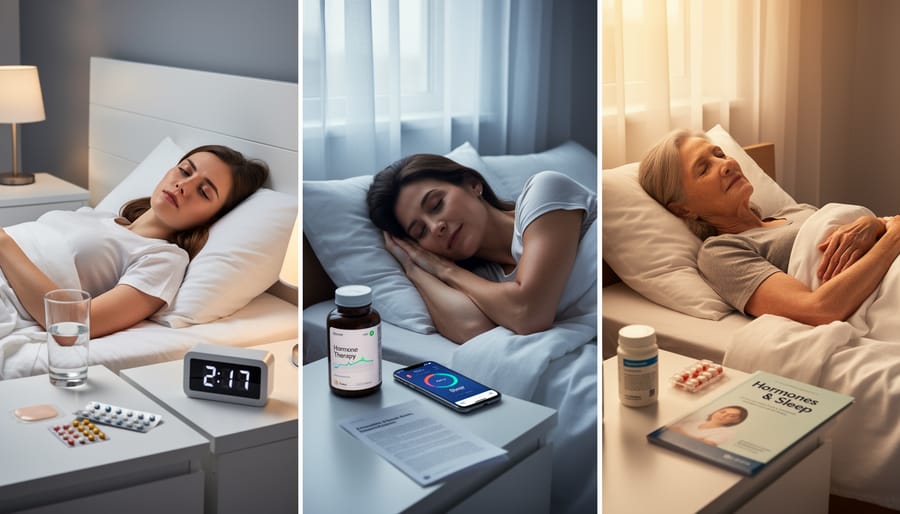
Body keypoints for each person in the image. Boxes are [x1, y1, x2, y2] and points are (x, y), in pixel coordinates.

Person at [0, 144, 268, 338]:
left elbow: (75, 323)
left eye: (204, 191)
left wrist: (3, 242)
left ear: (212, 218)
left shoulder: (164, 258)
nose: (183, 186)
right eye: (185, 171)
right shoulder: (101, 217)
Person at [639, 129, 900, 326]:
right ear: (683, 209)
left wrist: (873, 223)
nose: (726, 163)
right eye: (704, 169)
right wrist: (891, 239)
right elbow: (819, 309)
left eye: (719, 154)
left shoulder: (796, 212)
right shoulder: (722, 252)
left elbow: (888, 227)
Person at [366, 153, 596, 343]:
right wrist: (413, 268)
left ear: (473, 184)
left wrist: (447, 271)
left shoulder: (544, 192)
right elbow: (476, 332)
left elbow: (529, 313)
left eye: (437, 205)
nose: (436, 227)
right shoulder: (483, 281)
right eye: (420, 232)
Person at [668, 405, 748, 446]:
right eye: (722, 412)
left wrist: (680, 432)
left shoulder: (727, 432)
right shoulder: (695, 421)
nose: (723, 416)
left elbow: (707, 445)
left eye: (731, 416)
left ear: (737, 420)